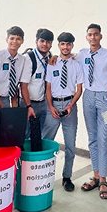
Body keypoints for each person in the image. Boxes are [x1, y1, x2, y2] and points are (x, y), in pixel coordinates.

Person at [78, 23, 107, 199]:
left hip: (105, 100)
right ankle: (95, 176)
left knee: (103, 138)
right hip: (88, 97)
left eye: (96, 34)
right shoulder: (82, 54)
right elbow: (69, 59)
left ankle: (103, 179)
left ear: (100, 36)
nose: (93, 37)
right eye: (90, 34)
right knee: (92, 138)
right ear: (86, 37)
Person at [42, 32, 84, 191]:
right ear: (58, 45)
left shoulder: (76, 64)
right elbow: (48, 88)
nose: (65, 47)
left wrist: (71, 105)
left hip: (69, 105)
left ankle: (67, 177)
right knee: (46, 141)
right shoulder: (52, 63)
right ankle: (43, 175)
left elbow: (79, 89)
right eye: (62, 44)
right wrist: (50, 106)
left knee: (70, 144)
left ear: (72, 45)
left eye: (68, 44)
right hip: (53, 104)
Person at [20, 28, 54, 131]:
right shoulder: (28, 58)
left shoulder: (50, 57)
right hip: (28, 103)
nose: (45, 44)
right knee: (25, 134)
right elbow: (23, 86)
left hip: (43, 103)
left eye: (48, 42)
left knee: (39, 134)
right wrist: (28, 106)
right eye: (42, 41)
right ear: (36, 42)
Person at [0, 26, 26, 108]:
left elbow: (14, 83)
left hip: (8, 99)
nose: (14, 41)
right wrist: (0, 105)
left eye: (18, 39)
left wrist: (14, 106)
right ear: (7, 40)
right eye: (12, 38)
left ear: (22, 41)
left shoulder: (22, 60)